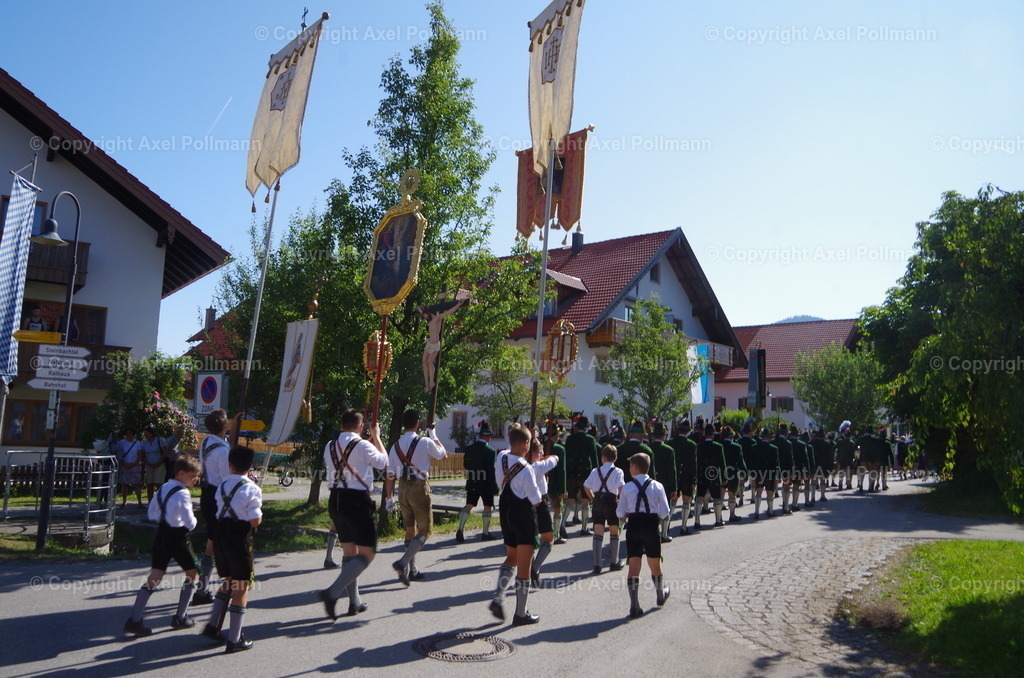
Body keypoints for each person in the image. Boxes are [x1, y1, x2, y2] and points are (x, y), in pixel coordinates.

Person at [318, 409, 388, 620]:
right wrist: (376, 436)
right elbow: (384, 463)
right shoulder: (364, 444)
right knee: (367, 553)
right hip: (357, 500)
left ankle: (355, 601)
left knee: (350, 552)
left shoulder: (329, 446)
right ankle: (332, 593)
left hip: (335, 499)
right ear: (361, 427)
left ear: (341, 425)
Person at [123, 456, 203, 637]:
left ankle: (135, 620)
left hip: (161, 535)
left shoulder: (164, 488)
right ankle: (181, 617)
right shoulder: (183, 493)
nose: (196, 479)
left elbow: (152, 513)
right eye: (193, 476)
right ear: (181, 473)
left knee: (156, 575)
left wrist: (166, 520)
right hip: (178, 537)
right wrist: (191, 523)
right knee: (193, 573)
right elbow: (190, 521)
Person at [199, 445, 262, 653]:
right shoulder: (252, 488)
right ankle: (234, 639)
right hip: (238, 538)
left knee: (228, 581)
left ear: (230, 465)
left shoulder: (222, 485)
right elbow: (254, 520)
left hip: (220, 535)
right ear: (250, 466)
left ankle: (213, 625)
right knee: (241, 587)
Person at [487, 424, 543, 625]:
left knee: (511, 556)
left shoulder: (501, 457)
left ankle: (498, 597)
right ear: (526, 444)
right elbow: (535, 498)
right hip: (522, 514)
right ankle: (520, 613)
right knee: (524, 565)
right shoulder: (526, 469)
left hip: (504, 509)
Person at [384, 409, 447, 585]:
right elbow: (443, 454)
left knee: (409, 529)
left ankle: (412, 570)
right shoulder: (425, 441)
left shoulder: (395, 446)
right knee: (425, 531)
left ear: (404, 424)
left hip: (402, 487)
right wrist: (433, 434)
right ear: (417, 423)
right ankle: (403, 563)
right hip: (419, 487)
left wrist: (389, 497)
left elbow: (390, 474)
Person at [616, 452, 671, 618]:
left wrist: (627, 514)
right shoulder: (658, 486)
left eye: (630, 466)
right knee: (654, 563)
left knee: (634, 565)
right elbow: (665, 512)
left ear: (635, 467)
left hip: (633, 525)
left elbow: (620, 512)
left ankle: (634, 604)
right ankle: (660, 595)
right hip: (650, 525)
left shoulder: (627, 487)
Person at [195, 409, 231, 605]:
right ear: (225, 427)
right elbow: (229, 480)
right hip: (220, 498)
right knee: (225, 545)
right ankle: (228, 587)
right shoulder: (223, 451)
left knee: (211, 543)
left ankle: (203, 589)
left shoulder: (207, 442)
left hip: (207, 494)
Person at [583, 444, 625, 574]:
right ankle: (614, 562)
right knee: (614, 530)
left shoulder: (595, 471)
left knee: (598, 530)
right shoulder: (618, 471)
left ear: (603, 458)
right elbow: (621, 489)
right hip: (611, 501)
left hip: (598, 501)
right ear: (615, 459)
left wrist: (592, 497)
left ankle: (597, 564)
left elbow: (586, 486)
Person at [456, 420, 498, 543]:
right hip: (486, 483)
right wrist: (495, 487)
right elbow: (491, 471)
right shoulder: (491, 451)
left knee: (469, 505)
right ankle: (485, 532)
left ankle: (460, 528)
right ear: (489, 436)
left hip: (473, 480)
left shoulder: (469, 448)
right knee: (487, 507)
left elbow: (466, 465)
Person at [527, 435, 559, 586]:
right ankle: (535, 568)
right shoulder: (537, 466)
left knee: (532, 541)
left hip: (525, 504)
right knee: (549, 539)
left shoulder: (522, 466)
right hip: (540, 502)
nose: (540, 455)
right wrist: (547, 456)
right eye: (538, 452)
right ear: (532, 453)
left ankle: (532, 573)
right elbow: (555, 459)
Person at [563, 416, 599, 537]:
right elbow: (594, 458)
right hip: (585, 473)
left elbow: (566, 457)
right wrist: (597, 473)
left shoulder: (570, 439)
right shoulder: (590, 439)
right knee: (585, 501)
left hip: (572, 472)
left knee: (571, 500)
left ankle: (561, 526)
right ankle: (584, 528)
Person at [647, 422, 677, 542]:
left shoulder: (648, 447)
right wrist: (674, 487)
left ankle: (654, 533)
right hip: (664, 484)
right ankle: (664, 534)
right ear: (664, 435)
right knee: (665, 509)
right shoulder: (669, 450)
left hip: (650, 483)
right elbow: (672, 470)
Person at [695, 422, 727, 529]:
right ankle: (718, 520)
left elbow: (697, 463)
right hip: (714, 475)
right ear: (713, 434)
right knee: (717, 498)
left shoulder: (699, 447)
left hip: (702, 474)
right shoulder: (719, 447)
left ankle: (697, 521)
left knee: (699, 498)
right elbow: (722, 464)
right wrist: (724, 477)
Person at [670, 419, 698, 535]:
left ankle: (665, 528)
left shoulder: (670, 442)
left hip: (674, 476)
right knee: (686, 501)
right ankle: (684, 527)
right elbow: (693, 463)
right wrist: (694, 479)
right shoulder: (692, 444)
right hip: (687, 476)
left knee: (672, 501)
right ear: (688, 431)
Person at [543, 423, 569, 544]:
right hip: (554, 485)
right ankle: (556, 534)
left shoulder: (538, 446)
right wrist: (563, 489)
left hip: (539, 485)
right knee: (557, 509)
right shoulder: (560, 449)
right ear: (555, 437)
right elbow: (561, 470)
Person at [749, 428, 780, 518]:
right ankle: (770, 511)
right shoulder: (774, 449)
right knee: (770, 492)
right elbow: (776, 464)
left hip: (758, 473)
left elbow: (751, 461)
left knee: (759, 492)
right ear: (769, 437)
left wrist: (752, 473)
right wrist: (778, 475)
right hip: (770, 473)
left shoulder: (754, 447)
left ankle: (756, 512)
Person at [720, 426, 746, 523]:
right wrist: (745, 473)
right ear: (731, 436)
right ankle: (732, 515)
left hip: (721, 473)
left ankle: (719, 517)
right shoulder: (737, 447)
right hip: (733, 474)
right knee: (732, 495)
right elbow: (741, 462)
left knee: (721, 495)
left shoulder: (719, 445)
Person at [115, 427, 144, 508]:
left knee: (137, 484)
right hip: (124, 465)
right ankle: (124, 502)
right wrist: (124, 463)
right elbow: (119, 454)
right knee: (125, 484)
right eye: (127, 433)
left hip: (135, 465)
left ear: (133, 434)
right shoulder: (121, 443)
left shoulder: (137, 443)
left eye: (130, 433)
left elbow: (140, 454)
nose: (128, 435)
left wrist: (135, 463)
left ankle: (140, 502)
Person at [141, 426, 168, 503]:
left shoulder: (160, 440)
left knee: (159, 483)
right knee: (150, 484)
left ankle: (160, 501)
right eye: (144, 434)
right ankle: (150, 502)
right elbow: (143, 455)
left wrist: (158, 462)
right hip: (149, 465)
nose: (145, 435)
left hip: (160, 464)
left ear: (151, 433)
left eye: (147, 433)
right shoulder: (144, 443)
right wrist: (147, 463)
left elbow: (165, 452)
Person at [774, 424, 795, 515]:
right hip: (786, 467)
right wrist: (793, 471)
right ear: (786, 433)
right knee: (786, 487)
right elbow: (790, 459)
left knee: (769, 488)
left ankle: (770, 508)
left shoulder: (773, 442)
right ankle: (785, 506)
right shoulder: (788, 443)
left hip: (774, 467)